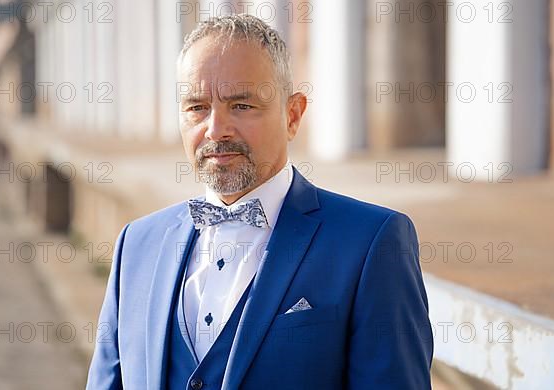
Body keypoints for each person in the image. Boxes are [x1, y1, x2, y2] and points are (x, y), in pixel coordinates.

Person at [86, 14, 433, 390]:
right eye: (197, 107)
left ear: (293, 115)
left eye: (242, 106)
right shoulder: (136, 245)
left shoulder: (369, 243)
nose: (216, 129)